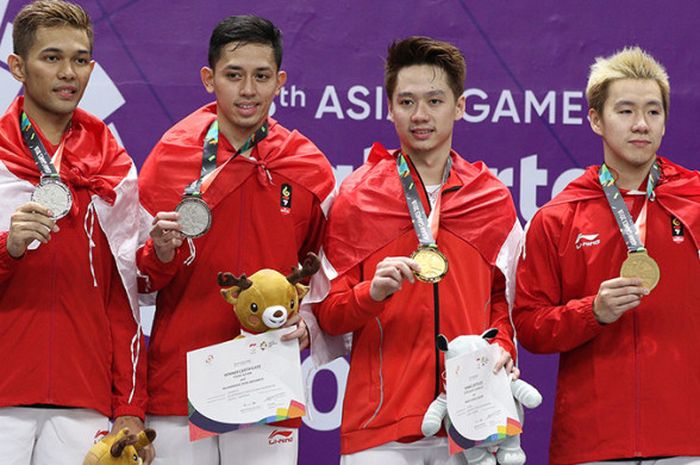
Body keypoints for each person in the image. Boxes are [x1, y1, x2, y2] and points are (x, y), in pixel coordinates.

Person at [310, 36, 522, 465]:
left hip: (472, 421)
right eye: (406, 102)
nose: (420, 115)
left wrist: (503, 346)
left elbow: (504, 302)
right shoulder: (356, 197)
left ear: (459, 106)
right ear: (389, 108)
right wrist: (371, 292)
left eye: (435, 101)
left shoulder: (491, 198)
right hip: (380, 428)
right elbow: (328, 314)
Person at [136, 15, 335, 465]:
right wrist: (160, 253)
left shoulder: (308, 168)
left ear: (280, 81)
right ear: (209, 79)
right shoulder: (171, 157)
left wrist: (310, 322)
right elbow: (137, 279)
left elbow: (326, 274)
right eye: (233, 75)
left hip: (268, 387)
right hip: (179, 385)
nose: (248, 90)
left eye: (261, 76)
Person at [513, 47, 700, 465]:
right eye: (626, 110)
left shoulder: (696, 203)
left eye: (653, 112)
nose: (641, 124)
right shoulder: (558, 216)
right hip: (591, 445)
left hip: (688, 441)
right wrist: (591, 312)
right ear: (596, 119)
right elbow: (528, 325)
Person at [0, 1, 148, 464]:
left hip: (82, 401)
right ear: (18, 66)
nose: (69, 73)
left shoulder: (113, 167)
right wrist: (8, 248)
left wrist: (129, 406)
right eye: (52, 58)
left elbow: (121, 300)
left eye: (80, 59)